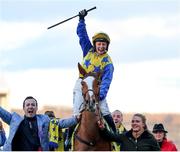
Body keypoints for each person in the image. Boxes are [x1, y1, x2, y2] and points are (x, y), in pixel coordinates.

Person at [73, 9, 116, 133]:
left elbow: (107, 82)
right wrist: (81, 19)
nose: (101, 47)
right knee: (76, 114)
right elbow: (82, 35)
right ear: (95, 44)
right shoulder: (88, 49)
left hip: (97, 89)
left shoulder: (108, 63)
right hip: (82, 84)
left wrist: (98, 96)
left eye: (104, 45)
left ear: (107, 46)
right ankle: (68, 141)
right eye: (99, 44)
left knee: (105, 112)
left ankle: (116, 139)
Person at [0, 96, 78, 151]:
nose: (30, 107)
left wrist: (76, 119)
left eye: (33, 105)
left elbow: (60, 123)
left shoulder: (44, 120)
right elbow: (2, 112)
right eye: (28, 105)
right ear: (24, 108)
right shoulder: (14, 119)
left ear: (37, 108)